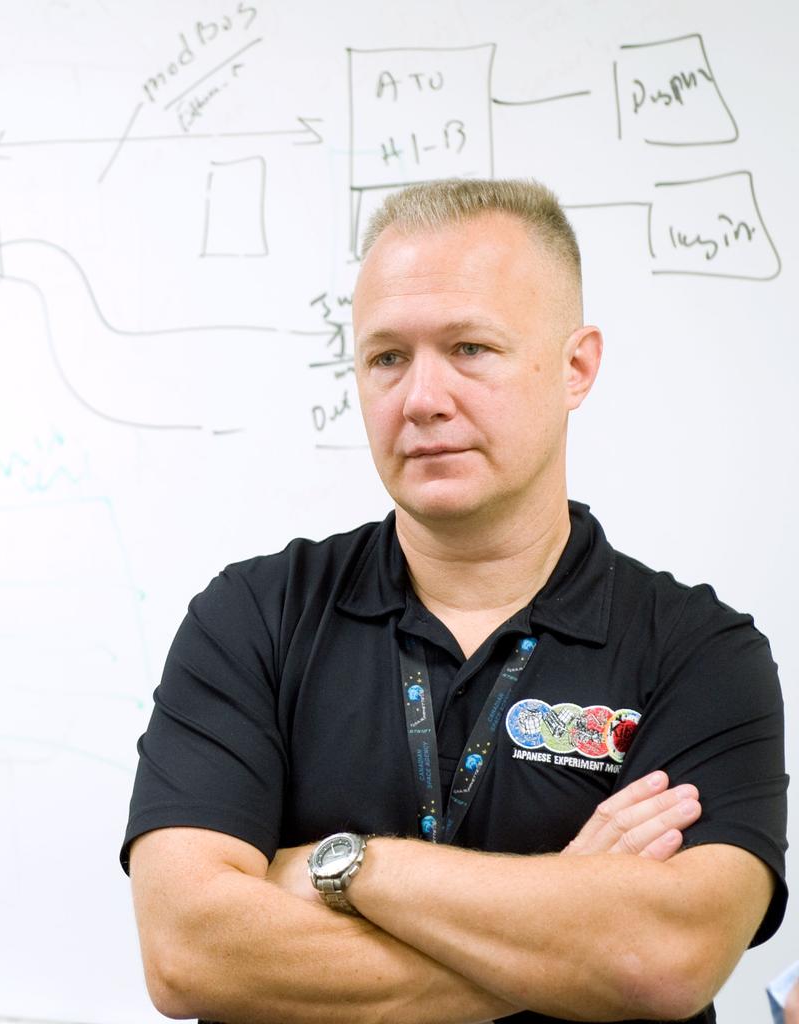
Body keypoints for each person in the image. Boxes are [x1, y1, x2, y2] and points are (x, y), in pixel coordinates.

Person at [121, 178, 787, 1024]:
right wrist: (567, 925)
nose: (422, 399)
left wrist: (346, 867)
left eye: (470, 348)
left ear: (576, 367)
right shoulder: (252, 617)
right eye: (386, 358)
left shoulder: (702, 654)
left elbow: (664, 958)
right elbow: (188, 953)